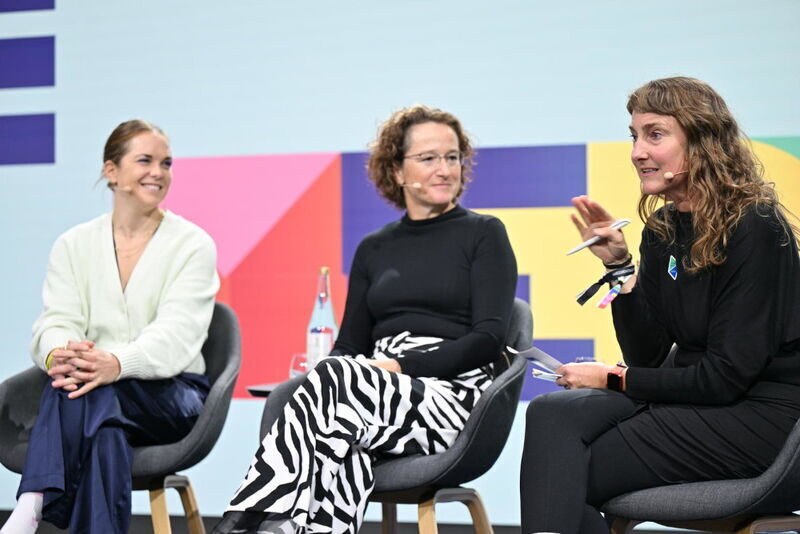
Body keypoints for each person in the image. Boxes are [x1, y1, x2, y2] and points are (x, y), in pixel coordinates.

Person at [213, 105, 518, 534]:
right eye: (429, 158)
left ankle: (251, 515)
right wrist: (328, 374)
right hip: (368, 390)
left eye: (453, 157)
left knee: (336, 391)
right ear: (396, 171)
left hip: (449, 394)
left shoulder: (484, 233)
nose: (445, 169)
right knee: (340, 445)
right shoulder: (374, 248)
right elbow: (350, 345)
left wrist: (396, 366)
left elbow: (488, 339)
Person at [520, 76, 800, 534]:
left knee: (563, 477)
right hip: (698, 400)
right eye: (634, 135)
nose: (636, 151)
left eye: (655, 134)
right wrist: (618, 267)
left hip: (766, 415)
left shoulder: (755, 226)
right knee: (551, 412)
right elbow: (647, 356)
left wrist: (612, 379)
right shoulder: (663, 229)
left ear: (703, 141)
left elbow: (726, 377)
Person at [0, 120, 219, 534]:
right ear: (111, 171)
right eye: (145, 160)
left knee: (80, 391)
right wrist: (61, 356)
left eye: (166, 163)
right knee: (103, 431)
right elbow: (56, 321)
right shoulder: (73, 244)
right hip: (97, 389)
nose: (158, 172)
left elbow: (176, 336)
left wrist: (114, 363)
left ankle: (32, 501)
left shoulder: (193, 244)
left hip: (175, 394)